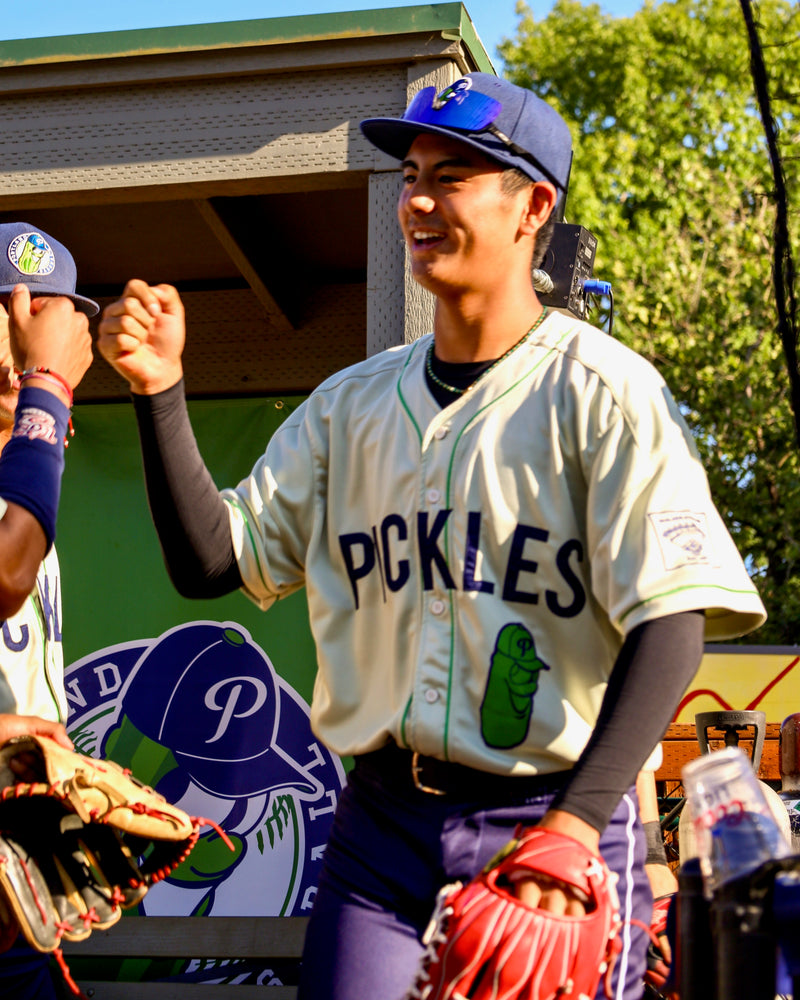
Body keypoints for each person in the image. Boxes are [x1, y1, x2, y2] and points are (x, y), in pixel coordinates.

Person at [96, 72, 766, 1000]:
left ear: (533, 205)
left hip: (550, 809)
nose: (415, 198)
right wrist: (160, 391)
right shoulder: (349, 406)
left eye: (452, 177)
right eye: (412, 173)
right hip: (381, 827)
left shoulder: (602, 391)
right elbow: (215, 560)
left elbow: (673, 619)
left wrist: (575, 826)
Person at [0, 222, 95, 998]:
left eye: (49, 320)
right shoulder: (32, 474)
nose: (36, 339)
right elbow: (4, 573)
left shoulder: (29, 480)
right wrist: (46, 394)